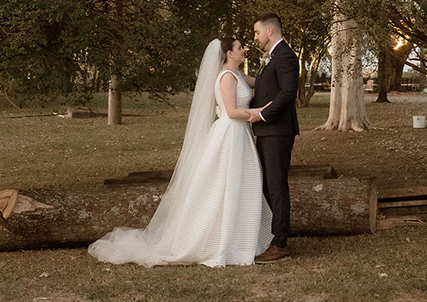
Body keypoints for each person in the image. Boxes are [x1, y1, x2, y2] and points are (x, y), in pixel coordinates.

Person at [87, 37, 272, 267]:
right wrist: (261, 111)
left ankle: (243, 237)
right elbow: (232, 112)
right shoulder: (225, 77)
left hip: (241, 136)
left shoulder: (238, 75)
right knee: (224, 185)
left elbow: (260, 83)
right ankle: (219, 241)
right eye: (239, 48)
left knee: (243, 184)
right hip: (230, 134)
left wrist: (271, 66)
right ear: (229, 54)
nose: (244, 50)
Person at [249, 13, 298, 263]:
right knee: (268, 185)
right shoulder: (273, 57)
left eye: (257, 32)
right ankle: (274, 234)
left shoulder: (285, 55)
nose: (255, 37)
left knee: (277, 186)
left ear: (269, 31)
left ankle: (280, 243)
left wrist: (263, 115)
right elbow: (265, 86)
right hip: (268, 132)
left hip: (277, 130)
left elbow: (289, 92)